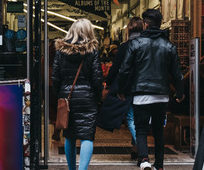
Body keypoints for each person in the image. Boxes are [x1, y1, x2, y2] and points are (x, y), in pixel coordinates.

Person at [118, 9, 184, 170]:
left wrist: (121, 89)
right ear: (160, 24)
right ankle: (159, 165)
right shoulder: (169, 46)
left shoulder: (136, 44)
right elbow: (178, 74)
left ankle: (144, 160)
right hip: (161, 96)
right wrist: (180, 93)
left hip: (141, 95)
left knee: (141, 130)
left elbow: (124, 70)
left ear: (145, 25)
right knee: (158, 132)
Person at [51, 18, 104, 170]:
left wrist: (60, 94)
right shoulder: (92, 51)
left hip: (67, 98)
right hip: (88, 99)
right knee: (87, 136)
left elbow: (55, 77)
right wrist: (98, 95)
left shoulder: (61, 52)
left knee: (69, 135)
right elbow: (97, 77)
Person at [101, 16, 144, 160]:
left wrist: (108, 83)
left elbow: (116, 67)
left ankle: (141, 147)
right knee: (139, 117)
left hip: (128, 87)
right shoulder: (147, 45)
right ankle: (136, 148)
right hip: (145, 86)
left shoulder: (125, 47)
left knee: (131, 117)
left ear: (128, 30)